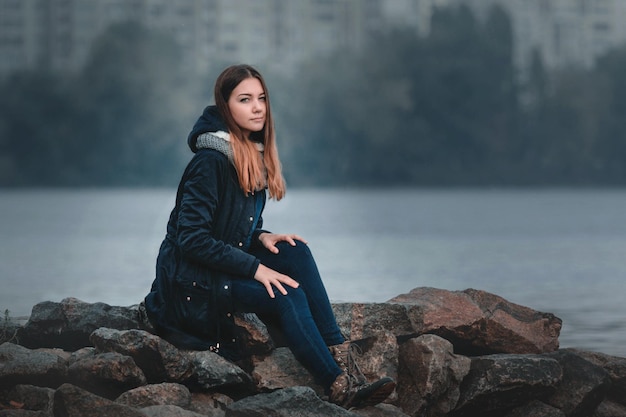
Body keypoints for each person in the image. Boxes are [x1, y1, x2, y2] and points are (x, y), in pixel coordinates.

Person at [144, 64, 395, 409]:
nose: (258, 107)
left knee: (296, 252)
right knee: (286, 295)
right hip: (189, 285)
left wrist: (259, 236)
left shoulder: (250, 155)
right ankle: (337, 385)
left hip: (216, 268)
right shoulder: (210, 163)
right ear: (225, 107)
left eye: (261, 98)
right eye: (245, 99)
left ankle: (343, 360)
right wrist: (256, 269)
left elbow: (228, 229)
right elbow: (192, 239)